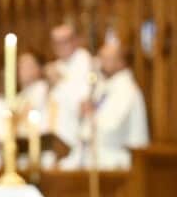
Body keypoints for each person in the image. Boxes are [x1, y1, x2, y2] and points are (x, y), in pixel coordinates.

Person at [62, 39, 149, 170]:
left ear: (121, 62)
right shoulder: (106, 87)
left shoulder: (126, 90)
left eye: (106, 59)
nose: (100, 63)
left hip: (116, 162)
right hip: (97, 158)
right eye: (101, 57)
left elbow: (110, 130)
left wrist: (90, 113)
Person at [48, 23, 93, 149]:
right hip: (57, 134)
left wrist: (59, 82)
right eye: (56, 43)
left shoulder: (84, 62)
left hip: (76, 135)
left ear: (75, 41)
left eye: (64, 42)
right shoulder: (57, 65)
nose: (60, 47)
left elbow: (84, 103)